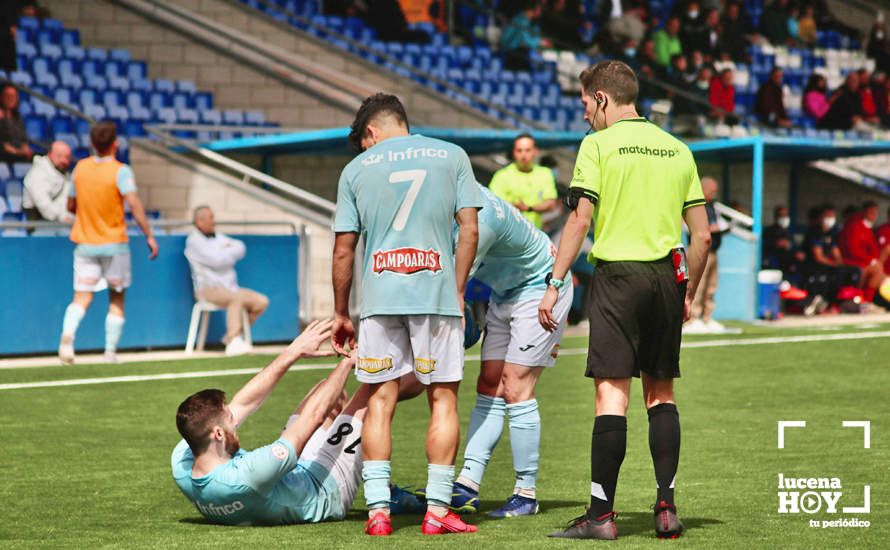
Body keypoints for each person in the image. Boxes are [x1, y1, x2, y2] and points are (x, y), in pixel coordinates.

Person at [539, 60, 711, 540]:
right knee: (661, 393)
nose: (584, 117)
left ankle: (600, 517)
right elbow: (702, 238)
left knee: (611, 395)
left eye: (584, 106)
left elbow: (578, 219)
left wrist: (554, 282)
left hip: (617, 278)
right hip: (665, 279)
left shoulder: (597, 145)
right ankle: (666, 507)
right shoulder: (678, 149)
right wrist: (689, 291)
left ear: (600, 98)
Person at [331, 93, 482, 536]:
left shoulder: (356, 170)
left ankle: (378, 511)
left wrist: (342, 310)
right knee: (443, 398)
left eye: (363, 142)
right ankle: (437, 511)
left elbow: (344, 249)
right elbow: (469, 228)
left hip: (379, 299)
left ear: (371, 133)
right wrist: (457, 287)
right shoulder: (452, 155)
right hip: (435, 295)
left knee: (380, 399)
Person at [172, 320, 423, 526]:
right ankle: (425, 369)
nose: (235, 422)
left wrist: (294, 351)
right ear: (218, 434)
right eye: (230, 421)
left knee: (324, 390)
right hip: (325, 492)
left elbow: (245, 403)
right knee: (372, 392)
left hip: (292, 477)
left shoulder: (183, 462)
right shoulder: (247, 474)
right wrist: (348, 362)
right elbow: (312, 417)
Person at [445, 184, 573, 518]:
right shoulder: (459, 198)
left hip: (541, 288)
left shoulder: (479, 222)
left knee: (516, 385)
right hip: (505, 290)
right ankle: (467, 484)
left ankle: (526, 493)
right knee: (489, 383)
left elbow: (451, 282)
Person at [57, 121, 158, 365]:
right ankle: (110, 352)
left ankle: (67, 340)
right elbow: (134, 205)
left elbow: (70, 205)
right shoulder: (120, 171)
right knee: (116, 298)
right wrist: (149, 235)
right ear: (116, 144)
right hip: (114, 244)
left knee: (81, 297)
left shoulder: (80, 168)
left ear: (92, 143)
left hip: (85, 244)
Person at [184, 206, 270, 356]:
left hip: (230, 288)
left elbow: (241, 247)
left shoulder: (219, 237)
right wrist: (227, 253)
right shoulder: (193, 241)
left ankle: (231, 337)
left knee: (261, 301)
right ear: (199, 221)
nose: (214, 221)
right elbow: (216, 260)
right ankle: (234, 339)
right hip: (207, 290)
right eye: (211, 218)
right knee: (236, 298)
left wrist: (224, 254)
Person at [489, 134, 559, 230]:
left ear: (535, 151)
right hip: (506, 234)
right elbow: (493, 206)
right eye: (519, 150)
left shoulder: (545, 173)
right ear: (514, 152)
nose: (523, 155)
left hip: (534, 235)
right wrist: (513, 208)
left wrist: (529, 208)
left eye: (527, 150)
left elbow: (551, 205)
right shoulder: (501, 175)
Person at [801, 204, 859, 312]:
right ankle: (829, 303)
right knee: (837, 272)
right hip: (814, 266)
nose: (830, 219)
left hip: (827, 265)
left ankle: (847, 301)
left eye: (832, 216)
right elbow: (818, 257)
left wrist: (840, 263)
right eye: (827, 216)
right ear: (821, 217)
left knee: (853, 271)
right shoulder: (815, 232)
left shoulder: (830, 233)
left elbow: (836, 251)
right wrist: (834, 264)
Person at [685, 177, 726, 333]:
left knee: (711, 287)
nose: (714, 194)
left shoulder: (712, 206)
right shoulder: (696, 204)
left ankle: (707, 317)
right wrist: (711, 228)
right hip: (700, 251)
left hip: (713, 251)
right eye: (712, 191)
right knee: (698, 285)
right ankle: (693, 318)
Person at [838, 201, 886, 295]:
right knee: (874, 270)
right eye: (871, 213)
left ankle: (865, 300)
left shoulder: (866, 227)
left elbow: (873, 248)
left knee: (879, 270)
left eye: (875, 213)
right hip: (850, 260)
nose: (873, 216)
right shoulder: (854, 225)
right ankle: (859, 297)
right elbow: (853, 250)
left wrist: (875, 260)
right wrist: (870, 261)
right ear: (863, 212)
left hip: (862, 261)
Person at [23, 140, 74, 223]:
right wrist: (63, 218)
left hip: (62, 224)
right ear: (50, 154)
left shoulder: (65, 174)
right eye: (59, 156)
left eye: (67, 157)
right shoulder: (37, 174)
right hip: (39, 225)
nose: (64, 160)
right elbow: (45, 208)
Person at [500, 1, 550, 72]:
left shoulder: (528, 22)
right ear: (535, 9)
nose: (541, 12)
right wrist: (540, 42)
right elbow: (525, 40)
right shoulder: (521, 21)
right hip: (511, 53)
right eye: (540, 9)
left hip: (516, 52)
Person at [763, 205, 804, 277]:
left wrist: (797, 254)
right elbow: (765, 247)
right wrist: (776, 243)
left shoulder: (788, 231)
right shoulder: (770, 231)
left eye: (786, 215)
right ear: (776, 217)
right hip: (775, 267)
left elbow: (792, 247)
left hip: (789, 268)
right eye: (781, 215)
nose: (784, 218)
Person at [0, 84, 33, 165]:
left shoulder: (18, 118)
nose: (11, 99)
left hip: (19, 154)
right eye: (8, 96)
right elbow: (3, 145)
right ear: (1, 97)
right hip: (5, 156)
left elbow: (24, 139)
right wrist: (18, 152)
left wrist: (25, 149)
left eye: (14, 96)